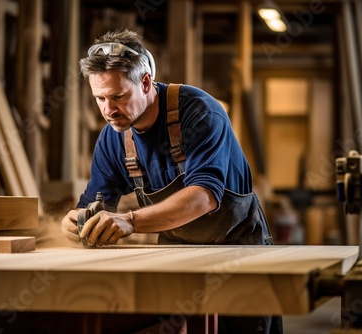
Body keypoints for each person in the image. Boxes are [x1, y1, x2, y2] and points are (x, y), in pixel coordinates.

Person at [61, 29, 282, 334]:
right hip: (176, 253)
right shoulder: (113, 138)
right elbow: (95, 204)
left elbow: (205, 196)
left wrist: (130, 220)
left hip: (237, 249)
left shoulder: (199, 112)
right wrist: (79, 222)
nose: (108, 110)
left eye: (118, 97)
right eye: (99, 98)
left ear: (146, 82)